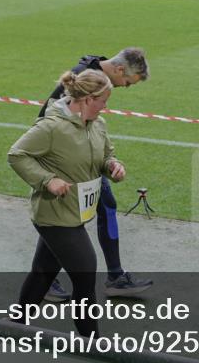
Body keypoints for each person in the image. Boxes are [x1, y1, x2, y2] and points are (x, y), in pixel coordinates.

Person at [9, 69, 125, 336]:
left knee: (42, 274)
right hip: (55, 217)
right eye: (103, 100)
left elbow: (107, 156)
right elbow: (17, 155)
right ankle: (91, 345)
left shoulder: (98, 125)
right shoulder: (51, 128)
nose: (106, 105)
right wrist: (47, 180)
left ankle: (13, 329)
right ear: (87, 99)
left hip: (74, 214)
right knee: (85, 275)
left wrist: (114, 166)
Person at [37, 49, 151, 301]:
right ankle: (49, 280)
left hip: (87, 162)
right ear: (120, 70)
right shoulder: (82, 77)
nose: (127, 88)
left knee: (98, 208)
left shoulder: (95, 75)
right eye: (129, 83)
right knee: (62, 221)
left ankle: (114, 275)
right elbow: (45, 118)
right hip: (68, 165)